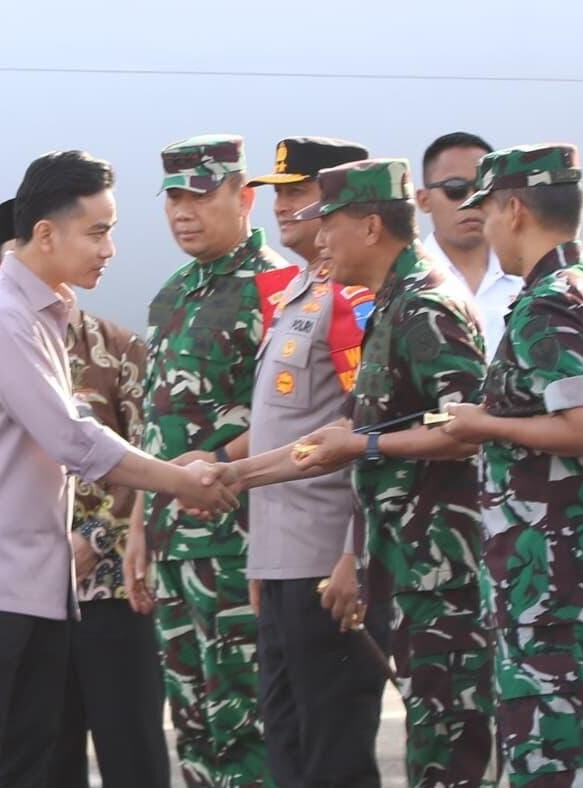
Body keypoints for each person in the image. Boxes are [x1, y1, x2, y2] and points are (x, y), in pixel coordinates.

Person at [0, 150, 237, 788]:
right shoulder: (3, 316)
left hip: (30, 576)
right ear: (45, 234)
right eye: (97, 231)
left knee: (30, 758)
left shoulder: (40, 313)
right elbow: (73, 439)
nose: (109, 248)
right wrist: (183, 480)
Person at [228, 158, 494, 788]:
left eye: (330, 225)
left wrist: (364, 448)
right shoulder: (391, 307)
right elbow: (331, 440)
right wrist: (229, 475)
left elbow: (467, 429)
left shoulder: (427, 306)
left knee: (445, 755)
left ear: (371, 227)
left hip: (439, 573)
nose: (319, 239)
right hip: (402, 564)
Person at [440, 143, 583, 787]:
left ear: (514, 209)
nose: (482, 227)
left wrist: (483, 423)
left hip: (555, 582)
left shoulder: (550, 303)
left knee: (553, 765)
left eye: (486, 211)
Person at [125, 133, 291, 788]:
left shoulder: (278, 289)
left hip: (239, 547)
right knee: (192, 723)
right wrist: (138, 524)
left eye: (198, 195)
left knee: (247, 722)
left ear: (243, 197)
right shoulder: (171, 296)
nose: (181, 212)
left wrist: (223, 461)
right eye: (171, 198)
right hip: (173, 544)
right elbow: (155, 430)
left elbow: (292, 419)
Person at [0, 199, 172, 788]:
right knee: (43, 756)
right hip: (29, 597)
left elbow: (149, 460)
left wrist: (94, 537)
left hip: (112, 594)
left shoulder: (116, 350)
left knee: (132, 751)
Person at [240, 136, 390, 787]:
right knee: (289, 751)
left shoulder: (352, 304)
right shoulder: (294, 292)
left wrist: (352, 554)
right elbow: (287, 427)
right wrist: (259, 559)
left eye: (299, 193)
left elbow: (367, 432)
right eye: (278, 192)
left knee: (332, 757)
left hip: (325, 568)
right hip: (281, 564)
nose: (284, 206)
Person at [416, 132, 522, 362]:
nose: (471, 201)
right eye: (455, 189)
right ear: (424, 200)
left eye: (483, 190)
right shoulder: (403, 282)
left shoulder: (528, 278)